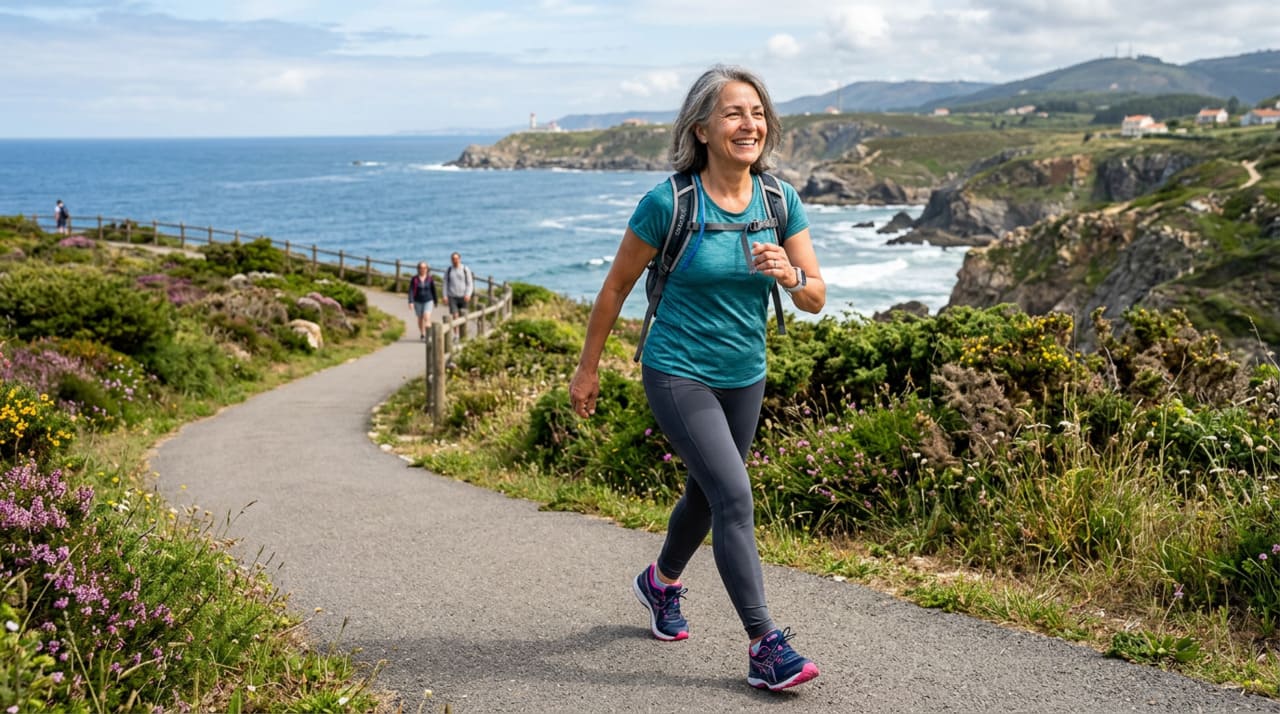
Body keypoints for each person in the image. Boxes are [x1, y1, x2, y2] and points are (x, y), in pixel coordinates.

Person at [569, 65, 825, 692]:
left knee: (707, 496)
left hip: (745, 374)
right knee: (734, 497)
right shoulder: (669, 204)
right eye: (734, 113)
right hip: (678, 370)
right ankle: (765, 646)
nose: (749, 124)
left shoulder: (779, 201)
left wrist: (790, 275)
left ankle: (659, 583)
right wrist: (587, 368)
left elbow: (816, 296)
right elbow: (615, 288)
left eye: (757, 113)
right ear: (702, 129)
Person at [444, 252, 474, 337]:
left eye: (456, 258)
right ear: (451, 260)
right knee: (455, 315)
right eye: (453, 259)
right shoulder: (449, 270)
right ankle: (456, 334)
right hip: (452, 296)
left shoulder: (465, 269)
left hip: (463, 296)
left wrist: (468, 294)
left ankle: (463, 334)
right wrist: (445, 295)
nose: (455, 260)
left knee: (463, 316)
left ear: (460, 259)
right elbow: (445, 283)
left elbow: (470, 283)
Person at [407, 261, 439, 340]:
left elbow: (433, 290)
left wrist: (436, 301)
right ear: (418, 269)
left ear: (427, 269)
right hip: (417, 301)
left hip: (428, 300)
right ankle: (423, 333)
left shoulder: (430, 279)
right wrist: (410, 301)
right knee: (420, 318)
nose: (423, 269)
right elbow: (411, 291)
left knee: (426, 316)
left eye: (424, 268)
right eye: (421, 268)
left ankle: (429, 335)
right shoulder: (414, 279)